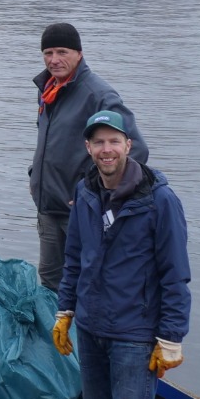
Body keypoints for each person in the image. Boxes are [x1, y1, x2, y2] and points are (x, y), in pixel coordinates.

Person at [53, 110, 190, 399]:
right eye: (98, 142)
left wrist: (171, 338)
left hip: (133, 336)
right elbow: (74, 257)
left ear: (129, 145)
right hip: (92, 329)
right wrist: (66, 310)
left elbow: (175, 274)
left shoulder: (159, 200)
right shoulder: (85, 192)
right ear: (88, 147)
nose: (106, 149)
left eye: (114, 141)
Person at [30, 23, 148, 291]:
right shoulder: (47, 90)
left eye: (62, 52)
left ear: (79, 54)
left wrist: (97, 190)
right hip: (47, 206)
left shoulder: (98, 95)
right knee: (49, 280)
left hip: (79, 210)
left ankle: (87, 333)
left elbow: (136, 149)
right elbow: (47, 142)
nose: (54, 60)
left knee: (87, 282)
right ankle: (55, 333)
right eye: (48, 53)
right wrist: (33, 174)